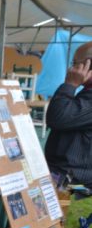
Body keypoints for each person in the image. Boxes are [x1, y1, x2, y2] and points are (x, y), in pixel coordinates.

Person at [44, 41, 92, 189]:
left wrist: (70, 84)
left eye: (75, 63)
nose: (71, 68)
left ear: (88, 65)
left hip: (72, 174)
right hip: (68, 169)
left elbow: (57, 118)